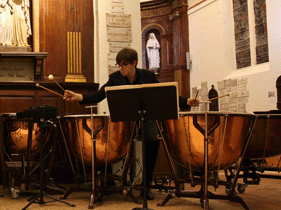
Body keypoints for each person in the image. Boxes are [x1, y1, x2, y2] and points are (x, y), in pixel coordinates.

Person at [63, 47, 199, 200]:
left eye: (124, 65)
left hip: (145, 117)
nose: (121, 68)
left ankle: (146, 185)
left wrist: (186, 101)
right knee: (106, 140)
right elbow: (98, 96)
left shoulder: (148, 76)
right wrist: (78, 96)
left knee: (153, 140)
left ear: (134, 63)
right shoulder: (115, 78)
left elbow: (165, 91)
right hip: (124, 120)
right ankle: (110, 181)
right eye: (119, 65)